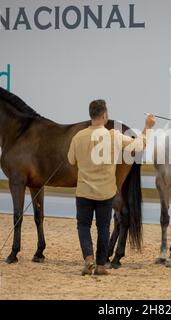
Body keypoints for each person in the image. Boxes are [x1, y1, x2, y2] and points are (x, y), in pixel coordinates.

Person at [68, 99, 155, 276]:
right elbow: (139, 145)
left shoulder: (78, 137)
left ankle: (88, 259)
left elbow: (71, 160)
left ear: (91, 115)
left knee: (83, 226)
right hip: (105, 192)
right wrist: (148, 126)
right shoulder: (114, 135)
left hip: (84, 191)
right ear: (105, 115)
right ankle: (101, 265)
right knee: (103, 228)